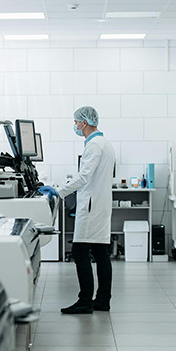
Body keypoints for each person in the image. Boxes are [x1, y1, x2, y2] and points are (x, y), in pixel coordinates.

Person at [38, 106, 116, 314]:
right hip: (100, 204)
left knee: (80, 252)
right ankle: (102, 300)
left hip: (91, 206)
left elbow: (83, 178)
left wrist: (58, 191)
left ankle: (85, 301)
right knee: (101, 253)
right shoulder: (105, 143)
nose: (75, 125)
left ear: (84, 122)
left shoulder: (93, 146)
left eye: (76, 122)